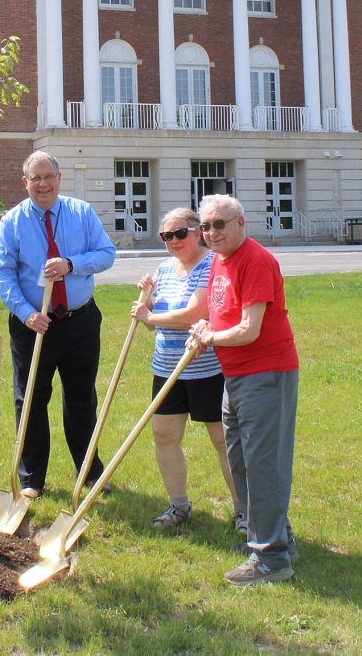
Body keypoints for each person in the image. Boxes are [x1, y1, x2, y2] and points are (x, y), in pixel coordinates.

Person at [187, 194, 299, 586]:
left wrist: (211, 338)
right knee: (241, 460)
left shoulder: (257, 261)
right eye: (205, 226)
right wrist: (205, 330)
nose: (211, 233)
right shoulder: (220, 260)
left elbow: (249, 329)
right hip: (234, 375)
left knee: (263, 463)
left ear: (241, 223)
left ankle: (271, 558)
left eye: (219, 224)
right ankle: (267, 537)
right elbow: (221, 311)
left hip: (265, 373)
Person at [0, 151, 116, 498]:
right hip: (34, 325)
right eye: (36, 178)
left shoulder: (82, 213)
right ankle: (31, 479)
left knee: (81, 399)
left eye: (49, 177)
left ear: (59, 179)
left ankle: (89, 473)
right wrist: (26, 313)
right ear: (25, 182)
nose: (43, 184)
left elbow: (106, 254)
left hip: (80, 322)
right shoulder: (12, 222)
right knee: (30, 398)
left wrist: (71, 264)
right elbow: (2, 274)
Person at [130, 207, 238, 530]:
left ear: (197, 232)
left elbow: (195, 313)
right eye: (167, 236)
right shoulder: (163, 270)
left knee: (223, 440)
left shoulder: (212, 265)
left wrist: (151, 317)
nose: (174, 241)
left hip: (206, 368)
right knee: (164, 435)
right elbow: (152, 324)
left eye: (180, 234)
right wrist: (146, 302)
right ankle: (179, 507)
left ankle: (244, 510)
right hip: (166, 367)